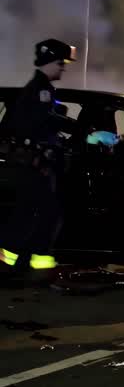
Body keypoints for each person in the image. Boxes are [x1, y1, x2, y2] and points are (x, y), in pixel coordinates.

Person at [0, 39, 77, 275]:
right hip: (35, 165)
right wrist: (83, 129)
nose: (63, 68)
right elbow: (43, 122)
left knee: (33, 213)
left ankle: (23, 262)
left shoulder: (42, 89)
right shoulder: (40, 90)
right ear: (49, 61)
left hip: (37, 164)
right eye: (60, 63)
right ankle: (22, 263)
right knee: (42, 213)